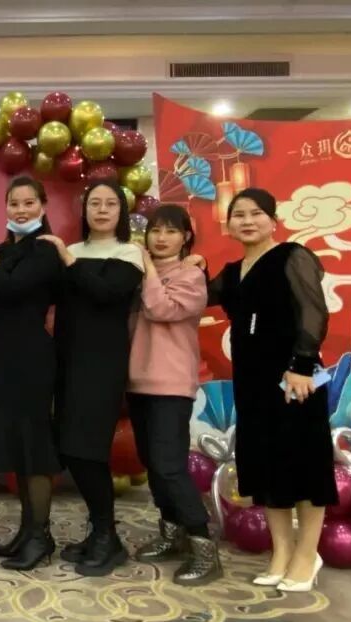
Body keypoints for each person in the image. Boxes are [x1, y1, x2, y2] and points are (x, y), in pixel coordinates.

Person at [192, 187, 336, 592]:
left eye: (256, 213)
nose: (247, 221)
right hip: (252, 383)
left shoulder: (293, 256)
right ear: (229, 225)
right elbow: (200, 296)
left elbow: (313, 311)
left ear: (273, 220)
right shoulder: (234, 271)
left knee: (304, 466)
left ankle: (307, 555)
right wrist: (193, 266)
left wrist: (302, 366)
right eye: (238, 215)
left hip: (295, 380)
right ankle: (282, 552)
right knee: (267, 466)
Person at [40, 179, 144, 577]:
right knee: (69, 450)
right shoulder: (74, 250)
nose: (101, 210)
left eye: (110, 204)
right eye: (94, 203)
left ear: (121, 212)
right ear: (84, 211)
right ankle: (99, 532)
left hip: (102, 365)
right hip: (67, 362)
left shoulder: (128, 253)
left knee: (90, 450)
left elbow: (104, 293)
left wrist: (67, 260)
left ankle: (107, 537)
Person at [127, 204, 221, 586]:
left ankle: (204, 546)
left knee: (169, 465)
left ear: (186, 237)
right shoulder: (136, 274)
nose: (161, 237)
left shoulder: (191, 275)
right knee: (152, 463)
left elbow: (160, 309)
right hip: (137, 381)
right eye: (155, 230)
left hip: (171, 384)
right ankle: (172, 532)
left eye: (170, 231)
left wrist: (147, 268)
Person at [0, 176, 63, 571]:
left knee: (35, 447)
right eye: (14, 203)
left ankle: (41, 536)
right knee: (17, 447)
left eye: (29, 203)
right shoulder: (2, 249)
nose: (21, 210)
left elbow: (10, 288)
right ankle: (27, 531)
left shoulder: (45, 249)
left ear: (43, 206)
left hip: (31, 358)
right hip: (2, 359)